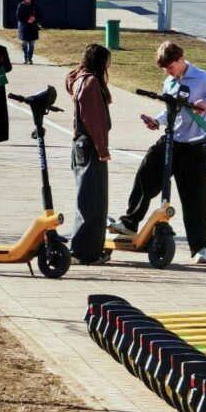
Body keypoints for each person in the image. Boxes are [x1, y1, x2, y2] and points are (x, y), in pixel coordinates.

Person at [108, 41, 206, 264]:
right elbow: (170, 111)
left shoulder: (203, 79)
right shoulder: (169, 82)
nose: (167, 72)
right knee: (146, 173)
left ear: (180, 60)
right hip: (172, 141)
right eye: (164, 69)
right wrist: (157, 120)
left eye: (170, 67)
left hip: (196, 146)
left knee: (195, 198)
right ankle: (129, 223)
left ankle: (200, 248)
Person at [65, 44, 113, 265]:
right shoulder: (91, 82)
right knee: (94, 201)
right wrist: (103, 150)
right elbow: (95, 121)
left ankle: (87, 249)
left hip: (80, 145)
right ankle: (84, 251)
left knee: (87, 198)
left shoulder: (78, 78)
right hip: (90, 146)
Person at [16, 0, 43, 64]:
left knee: (31, 44)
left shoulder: (35, 5)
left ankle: (30, 58)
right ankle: (25, 57)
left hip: (32, 27)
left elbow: (39, 14)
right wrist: (27, 20)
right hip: (23, 27)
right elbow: (18, 17)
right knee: (24, 43)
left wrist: (34, 18)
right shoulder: (20, 5)